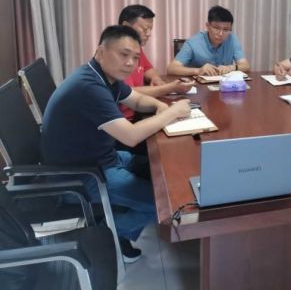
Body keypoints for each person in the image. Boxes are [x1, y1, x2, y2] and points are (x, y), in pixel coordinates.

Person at [41, 25, 191, 263]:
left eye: (135, 57)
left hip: (100, 158)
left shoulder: (103, 76)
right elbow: (130, 136)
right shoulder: (89, 87)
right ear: (101, 52)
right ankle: (111, 234)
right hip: (80, 175)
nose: (130, 63)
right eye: (123, 54)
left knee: (157, 170)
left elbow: (137, 100)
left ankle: (117, 222)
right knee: (164, 204)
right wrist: (173, 113)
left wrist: (160, 106)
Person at [118, 4, 193, 121]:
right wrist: (171, 87)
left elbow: (148, 68)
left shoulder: (135, 47)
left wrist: (155, 78)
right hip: (124, 119)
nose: (149, 34)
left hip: (138, 111)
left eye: (150, 29)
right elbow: (130, 93)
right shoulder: (118, 53)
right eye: (145, 29)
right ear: (126, 26)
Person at [167, 5, 251, 76]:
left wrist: (231, 68)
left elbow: (246, 66)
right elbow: (171, 68)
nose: (221, 33)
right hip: (198, 87)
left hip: (224, 86)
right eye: (216, 28)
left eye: (226, 29)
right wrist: (198, 71)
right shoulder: (194, 42)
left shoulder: (232, 39)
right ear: (207, 26)